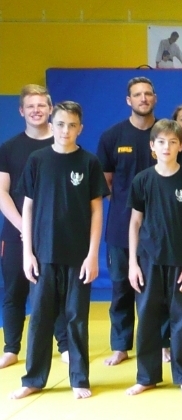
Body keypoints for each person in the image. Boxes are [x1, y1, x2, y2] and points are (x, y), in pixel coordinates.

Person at [9, 101, 107, 400]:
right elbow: (27, 207)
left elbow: (96, 212)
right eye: (60, 124)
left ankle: (79, 378)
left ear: (81, 129)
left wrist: (92, 255)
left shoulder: (89, 163)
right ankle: (33, 378)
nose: (66, 130)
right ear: (52, 126)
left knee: (76, 317)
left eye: (72, 125)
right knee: (39, 317)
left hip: (78, 255)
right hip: (43, 254)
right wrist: (28, 252)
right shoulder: (38, 160)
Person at [125, 119, 182, 396]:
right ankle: (146, 376)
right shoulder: (142, 180)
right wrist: (133, 263)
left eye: (173, 142)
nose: (167, 147)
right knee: (147, 318)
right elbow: (135, 223)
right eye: (161, 142)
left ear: (181, 146)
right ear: (152, 147)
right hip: (148, 262)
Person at [97, 77, 174, 367]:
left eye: (147, 94)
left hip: (162, 229)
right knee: (120, 287)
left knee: (162, 290)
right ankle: (121, 344)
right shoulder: (112, 136)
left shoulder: (167, 133)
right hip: (121, 227)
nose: (143, 98)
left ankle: (164, 342)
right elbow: (105, 183)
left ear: (155, 98)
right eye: (137, 95)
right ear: (129, 100)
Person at [0, 84, 67, 370]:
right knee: (15, 291)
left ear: (50, 109)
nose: (37, 110)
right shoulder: (9, 148)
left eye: (42, 105)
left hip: (56, 234)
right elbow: (2, 192)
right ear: (22, 111)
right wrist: (23, 228)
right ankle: (11, 347)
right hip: (16, 234)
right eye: (31, 106)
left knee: (58, 293)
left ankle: (64, 344)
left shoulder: (64, 146)